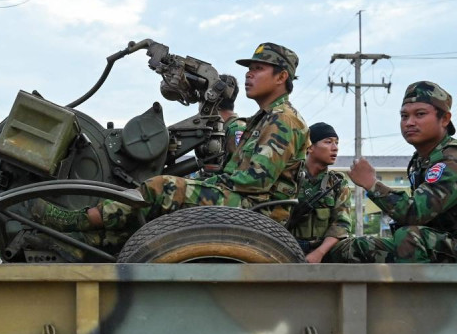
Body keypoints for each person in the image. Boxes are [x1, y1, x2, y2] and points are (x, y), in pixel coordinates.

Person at [29, 43, 308, 237]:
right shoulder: (265, 118)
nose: (249, 73)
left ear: (281, 76)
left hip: (259, 213)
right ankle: (75, 243)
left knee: (159, 188)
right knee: (145, 219)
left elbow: (255, 181)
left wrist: (205, 184)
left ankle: (76, 220)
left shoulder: (283, 119)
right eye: (250, 68)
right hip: (248, 205)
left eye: (259, 68)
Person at [328, 81, 457, 263]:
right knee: (353, 247)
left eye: (420, 114)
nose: (409, 123)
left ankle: (418, 292)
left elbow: (415, 213)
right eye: (404, 116)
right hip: (449, 242)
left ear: (445, 119)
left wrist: (372, 184)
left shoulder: (454, 160)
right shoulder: (423, 159)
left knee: (409, 236)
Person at [286, 122, 353, 263]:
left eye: (336, 143)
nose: (335, 148)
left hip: (324, 250)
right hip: (287, 247)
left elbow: (341, 225)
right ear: (310, 147)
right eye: (328, 142)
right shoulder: (288, 178)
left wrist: (319, 253)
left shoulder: (337, 183)